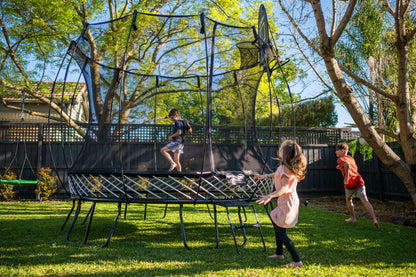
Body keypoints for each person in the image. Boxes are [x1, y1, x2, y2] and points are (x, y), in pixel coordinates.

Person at [256, 140, 307, 268]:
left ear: (284, 153)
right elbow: (278, 174)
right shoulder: (286, 167)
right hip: (287, 200)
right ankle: (279, 253)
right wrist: (266, 176)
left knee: (280, 231)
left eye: (281, 148)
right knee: (277, 226)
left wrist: (270, 195)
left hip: (287, 201)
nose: (279, 148)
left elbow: (284, 187)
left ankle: (297, 261)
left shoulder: (285, 168)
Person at [335, 142, 380, 229]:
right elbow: (352, 167)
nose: (335, 152)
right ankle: (374, 219)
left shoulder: (340, 159)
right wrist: (340, 167)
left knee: (349, 199)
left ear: (342, 151)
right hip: (359, 181)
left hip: (350, 184)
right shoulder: (351, 158)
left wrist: (347, 177)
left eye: (337, 151)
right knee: (365, 201)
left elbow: (346, 165)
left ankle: (353, 218)